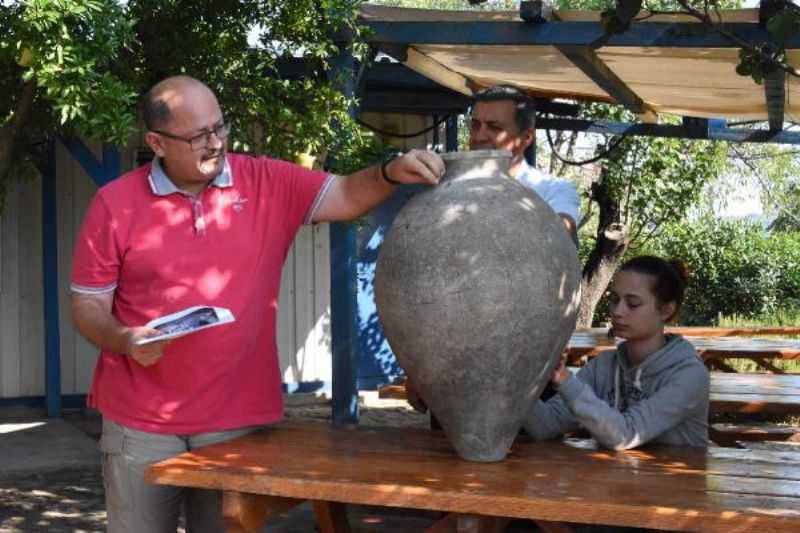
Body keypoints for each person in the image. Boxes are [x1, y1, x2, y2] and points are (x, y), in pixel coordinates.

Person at [69, 75, 445, 532]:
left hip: (234, 422)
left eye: (219, 128)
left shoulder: (266, 180)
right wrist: (124, 339)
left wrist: (388, 172)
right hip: (140, 423)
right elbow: (88, 305)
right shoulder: (115, 203)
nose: (215, 143)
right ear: (156, 142)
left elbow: (345, 194)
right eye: (197, 136)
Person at [522, 256, 710, 450]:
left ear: (666, 311)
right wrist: (515, 375)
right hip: (615, 478)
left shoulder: (689, 376)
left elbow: (625, 435)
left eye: (633, 303)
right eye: (615, 300)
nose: (617, 311)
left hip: (676, 480)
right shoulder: (604, 366)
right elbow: (545, 425)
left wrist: (565, 380)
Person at [468, 84, 580, 239]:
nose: (479, 136)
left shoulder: (553, 190)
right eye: (475, 125)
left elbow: (560, 234)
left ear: (526, 137)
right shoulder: (446, 182)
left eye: (494, 127)